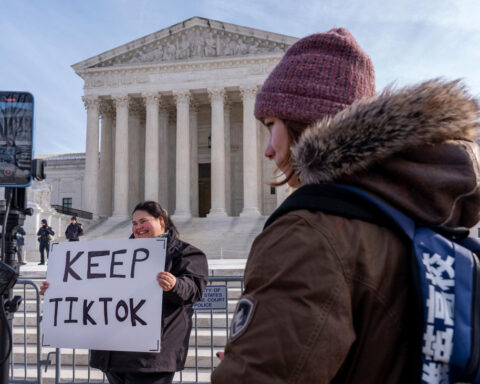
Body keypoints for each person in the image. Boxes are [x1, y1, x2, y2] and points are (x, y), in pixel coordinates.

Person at [211, 28, 480, 383]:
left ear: (302, 121)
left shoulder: (310, 234)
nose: (268, 149)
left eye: (271, 124)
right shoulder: (409, 215)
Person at [41, 201, 209, 384]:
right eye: (134, 223)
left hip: (151, 357)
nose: (138, 227)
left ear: (161, 220)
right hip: (113, 353)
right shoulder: (115, 255)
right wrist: (58, 289)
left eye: (143, 221)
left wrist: (174, 285)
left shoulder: (186, 253)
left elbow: (194, 288)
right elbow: (92, 288)